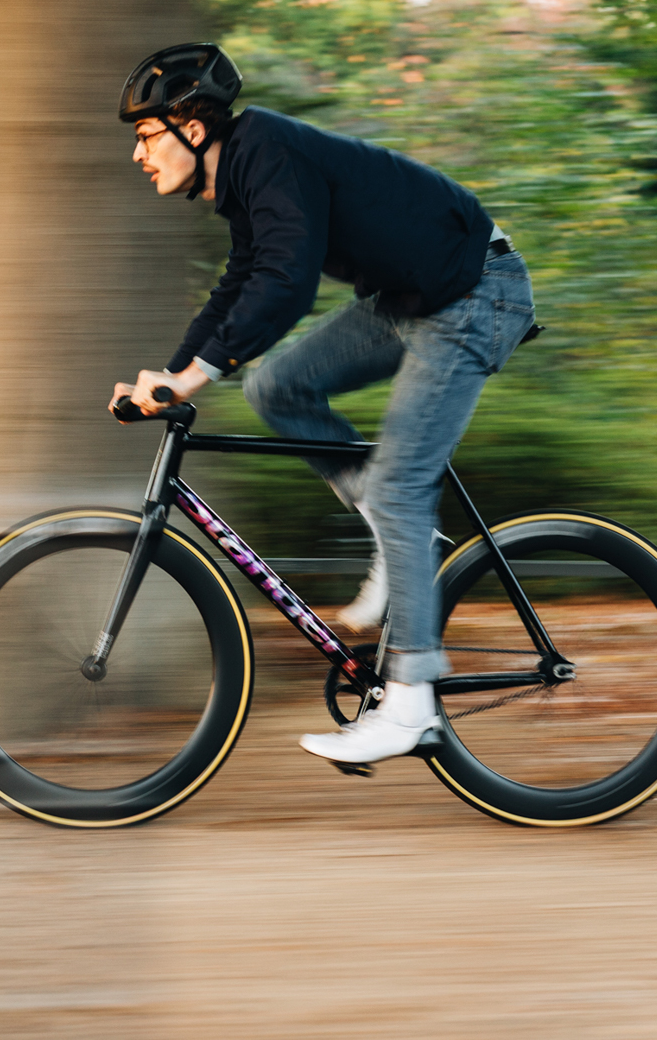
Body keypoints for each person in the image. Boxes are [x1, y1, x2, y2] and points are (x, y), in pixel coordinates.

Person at [108, 42, 536, 767]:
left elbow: (286, 282)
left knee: (403, 486)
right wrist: (172, 372)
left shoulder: (266, 145)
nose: (139, 155)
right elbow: (241, 280)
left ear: (195, 127)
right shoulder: (242, 177)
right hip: (410, 301)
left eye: (149, 136)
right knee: (276, 385)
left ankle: (411, 704)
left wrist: (193, 377)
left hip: (475, 296)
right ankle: (401, 533)